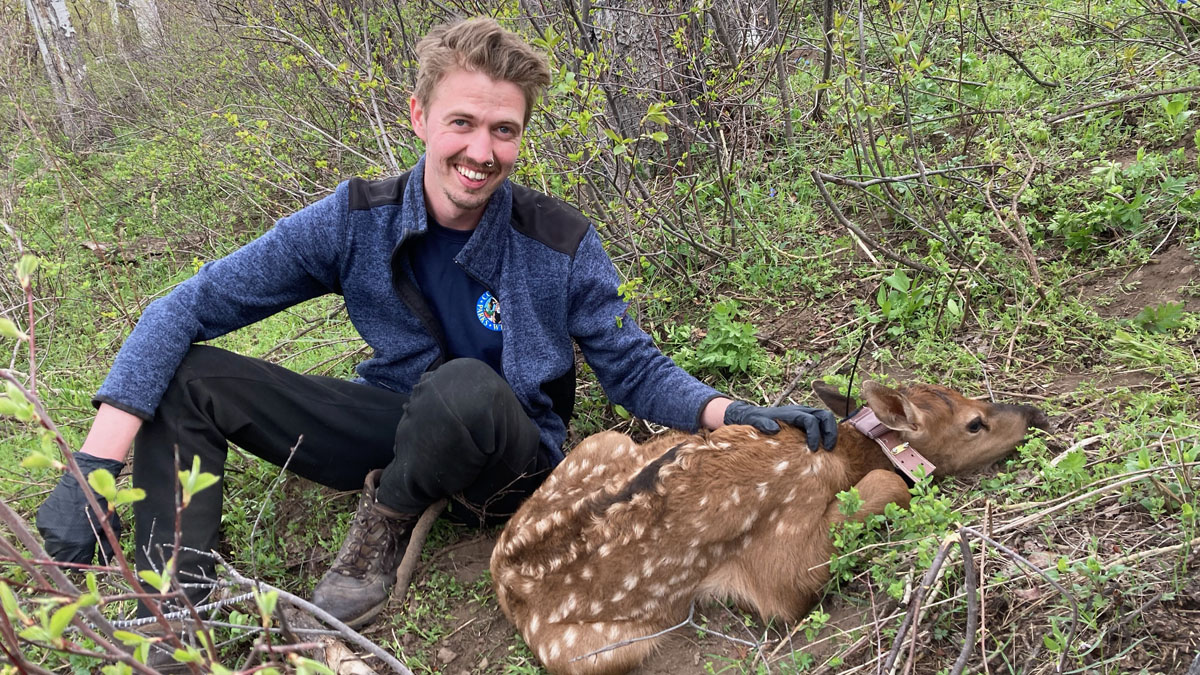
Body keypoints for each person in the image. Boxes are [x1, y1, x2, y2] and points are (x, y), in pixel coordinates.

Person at [35, 17, 837, 629]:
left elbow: (630, 365)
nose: (481, 151)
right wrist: (93, 471)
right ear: (419, 117)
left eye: (503, 130)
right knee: (190, 373)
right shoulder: (354, 220)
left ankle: (381, 532)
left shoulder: (557, 239)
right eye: (462, 122)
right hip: (396, 426)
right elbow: (183, 304)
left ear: (520, 136)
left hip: (509, 461)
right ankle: (173, 605)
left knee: (463, 389)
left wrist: (733, 413)